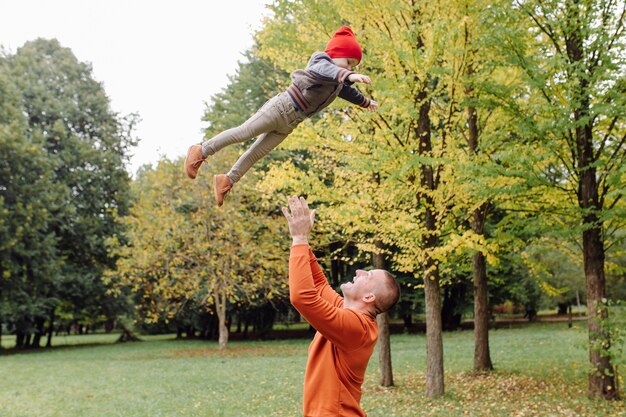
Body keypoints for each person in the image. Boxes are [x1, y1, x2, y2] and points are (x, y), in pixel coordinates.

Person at [185, 26, 379, 206]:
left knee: (256, 153)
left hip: (291, 123)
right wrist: (348, 75)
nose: (350, 68)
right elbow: (326, 71)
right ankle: (201, 150)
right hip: (281, 108)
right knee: (244, 132)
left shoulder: (337, 82)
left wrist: (365, 102)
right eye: (348, 62)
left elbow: (347, 92)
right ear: (336, 54)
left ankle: (227, 180)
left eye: (352, 66)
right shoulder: (320, 60)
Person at [281, 196, 400, 417]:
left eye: (368, 275)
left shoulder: (357, 328)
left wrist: (299, 238)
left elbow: (302, 297)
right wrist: (301, 237)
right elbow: (317, 285)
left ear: (369, 297)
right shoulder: (346, 313)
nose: (359, 272)